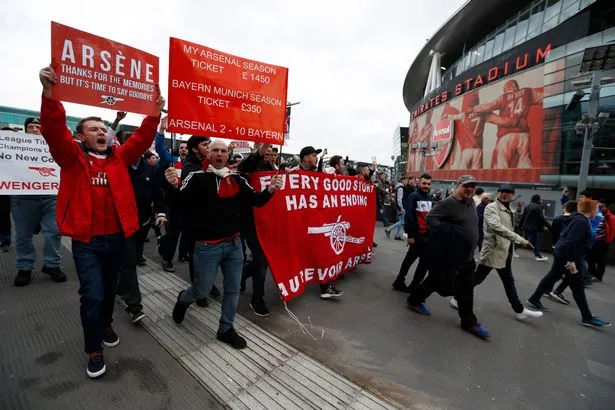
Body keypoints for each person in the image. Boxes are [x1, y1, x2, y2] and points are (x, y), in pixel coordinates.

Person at [38, 65, 164, 378]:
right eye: (92, 129)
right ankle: (94, 347)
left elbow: (143, 136)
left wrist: (154, 111)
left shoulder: (119, 157)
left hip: (118, 238)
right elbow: (54, 131)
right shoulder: (70, 157)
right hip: (87, 243)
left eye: (102, 129)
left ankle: (106, 322)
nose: (100, 132)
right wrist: (49, 94)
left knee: (109, 291)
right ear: (80, 136)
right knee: (91, 294)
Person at [168, 140, 283, 348]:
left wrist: (271, 190)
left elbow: (256, 201)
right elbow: (181, 201)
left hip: (234, 245)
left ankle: (226, 329)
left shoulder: (238, 179)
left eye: (223, 151)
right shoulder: (196, 177)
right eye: (215, 150)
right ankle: (184, 299)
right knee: (201, 291)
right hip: (206, 246)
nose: (219, 154)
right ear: (208, 154)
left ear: (228, 155)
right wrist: (174, 186)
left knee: (232, 290)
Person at [406, 175, 490, 339]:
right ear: (458, 186)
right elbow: (430, 219)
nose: (469, 189)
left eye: (472, 187)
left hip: (468, 256)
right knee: (439, 281)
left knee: (465, 288)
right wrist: (452, 233)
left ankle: (469, 322)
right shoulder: (447, 203)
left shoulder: (471, 202)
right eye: (466, 186)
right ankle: (415, 300)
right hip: (453, 255)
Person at [452, 185, 542, 320]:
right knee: (478, 278)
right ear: (498, 193)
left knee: (506, 281)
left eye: (508, 192)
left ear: (513, 195)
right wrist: (519, 239)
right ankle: (456, 297)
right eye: (502, 192)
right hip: (494, 251)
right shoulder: (492, 208)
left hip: (503, 252)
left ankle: (519, 310)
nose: (504, 194)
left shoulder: (507, 209)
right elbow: (496, 227)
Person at [527, 199, 611, 329]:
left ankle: (534, 298)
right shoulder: (581, 222)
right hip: (569, 257)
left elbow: (566, 238)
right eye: (596, 209)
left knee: (553, 276)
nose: (597, 211)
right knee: (577, 284)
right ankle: (587, 317)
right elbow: (571, 242)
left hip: (562, 253)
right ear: (590, 210)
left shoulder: (576, 218)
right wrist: (571, 261)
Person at [11, 116, 65, 286]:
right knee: (23, 235)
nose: (35, 130)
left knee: (54, 231)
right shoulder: (12, 147)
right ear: (25, 129)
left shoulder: (53, 147)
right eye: (32, 127)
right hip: (23, 198)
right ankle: (25, 267)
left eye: (38, 127)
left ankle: (52, 264)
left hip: (50, 196)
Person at [237, 142, 276, 316]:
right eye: (265, 152)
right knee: (261, 260)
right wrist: (259, 151)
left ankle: (245, 272)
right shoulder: (247, 167)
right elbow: (245, 166)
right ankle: (257, 298)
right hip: (250, 221)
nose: (269, 155)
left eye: (271, 153)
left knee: (265, 258)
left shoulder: (271, 168)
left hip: (268, 221)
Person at [472, 79, 543, 169]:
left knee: (502, 163)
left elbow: (488, 106)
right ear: (516, 86)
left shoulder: (503, 97)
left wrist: (474, 108)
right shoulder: (527, 92)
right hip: (523, 134)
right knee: (524, 161)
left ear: (506, 89)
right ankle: (527, 181)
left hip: (506, 134)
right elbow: (544, 98)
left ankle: (501, 182)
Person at [392, 174, 433, 293]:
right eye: (424, 183)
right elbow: (409, 217)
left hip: (426, 236)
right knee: (410, 260)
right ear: (419, 183)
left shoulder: (429, 197)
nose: (426, 186)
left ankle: (411, 285)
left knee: (423, 263)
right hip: (417, 236)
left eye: (429, 184)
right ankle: (400, 281)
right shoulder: (413, 196)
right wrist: (410, 236)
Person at [588, 200, 614, 282]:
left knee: (600, 260)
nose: (600, 208)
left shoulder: (610, 217)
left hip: (602, 241)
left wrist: (607, 242)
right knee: (590, 258)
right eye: (598, 206)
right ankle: (592, 273)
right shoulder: (595, 215)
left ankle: (598, 276)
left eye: (602, 206)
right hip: (594, 240)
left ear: (606, 207)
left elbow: (612, 231)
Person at [519, 194, 551, 261]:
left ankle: (512, 250)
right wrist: (550, 226)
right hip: (534, 228)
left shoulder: (527, 206)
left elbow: (523, 217)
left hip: (526, 227)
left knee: (522, 240)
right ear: (538, 199)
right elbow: (542, 219)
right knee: (535, 241)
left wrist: (520, 226)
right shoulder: (538, 207)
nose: (541, 200)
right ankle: (538, 256)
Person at [385, 176, 409, 240]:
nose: (407, 182)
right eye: (406, 181)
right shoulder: (401, 188)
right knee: (402, 221)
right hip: (400, 207)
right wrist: (402, 208)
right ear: (403, 181)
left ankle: (397, 235)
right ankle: (388, 229)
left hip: (399, 207)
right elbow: (399, 199)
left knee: (400, 221)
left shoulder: (398, 187)